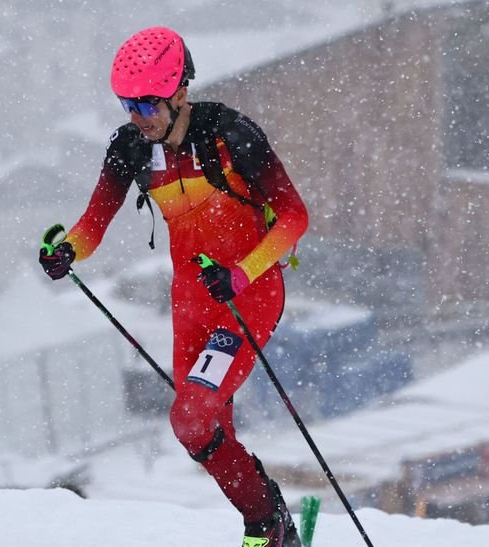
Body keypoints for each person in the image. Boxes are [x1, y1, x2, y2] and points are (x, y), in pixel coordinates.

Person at [39, 26, 308, 547]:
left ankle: (265, 524)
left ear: (180, 92)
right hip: (191, 302)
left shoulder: (230, 136)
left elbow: (294, 217)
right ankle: (269, 521)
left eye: (146, 104)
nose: (137, 117)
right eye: (127, 104)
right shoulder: (131, 148)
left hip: (247, 296)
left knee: (191, 417)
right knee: (201, 429)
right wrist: (67, 250)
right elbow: (93, 223)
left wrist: (241, 273)